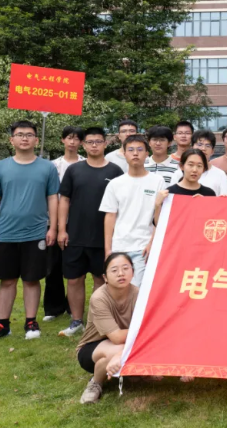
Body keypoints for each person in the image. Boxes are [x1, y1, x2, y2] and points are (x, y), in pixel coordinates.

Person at [0, 120, 60, 344]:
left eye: (29, 134)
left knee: (32, 280)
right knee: (7, 280)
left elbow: (52, 198)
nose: (24, 138)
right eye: (20, 134)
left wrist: (53, 227)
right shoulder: (0, 167)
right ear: (11, 139)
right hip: (5, 233)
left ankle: (31, 322)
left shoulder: (47, 168)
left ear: (36, 139)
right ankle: (2, 325)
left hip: (36, 233)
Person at [57, 128, 124, 338]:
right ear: (83, 145)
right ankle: (76, 320)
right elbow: (64, 200)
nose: (94, 145)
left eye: (98, 141)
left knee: (100, 280)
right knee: (74, 279)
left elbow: (121, 204)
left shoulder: (115, 171)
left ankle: (96, 321)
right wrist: (61, 229)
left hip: (103, 237)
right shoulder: (74, 170)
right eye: (90, 142)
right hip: (75, 235)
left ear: (106, 144)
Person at [99, 135, 167, 287]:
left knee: (138, 289)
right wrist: (108, 249)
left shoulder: (158, 181)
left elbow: (160, 217)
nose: (135, 153)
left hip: (144, 247)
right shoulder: (115, 184)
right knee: (120, 288)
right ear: (124, 154)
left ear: (147, 153)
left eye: (140, 149)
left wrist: (152, 243)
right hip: (120, 246)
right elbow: (110, 216)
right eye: (130, 150)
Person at [76, 253, 138, 404]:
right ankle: (95, 383)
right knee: (120, 348)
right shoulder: (99, 298)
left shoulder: (138, 294)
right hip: (93, 347)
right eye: (114, 270)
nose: (121, 273)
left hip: (126, 343)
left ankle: (124, 362)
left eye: (125, 268)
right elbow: (116, 337)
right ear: (105, 277)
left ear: (133, 272)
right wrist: (141, 332)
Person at [45, 126, 85, 322]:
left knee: (75, 267)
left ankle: (72, 306)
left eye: (76, 139)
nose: (72, 142)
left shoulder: (86, 163)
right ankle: (53, 308)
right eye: (69, 138)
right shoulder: (52, 165)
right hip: (53, 220)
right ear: (62, 140)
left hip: (78, 222)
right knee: (52, 266)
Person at [191, 130, 227, 196]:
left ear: (212, 151)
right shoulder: (181, 173)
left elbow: (224, 200)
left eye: (208, 145)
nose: (203, 148)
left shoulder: (220, 175)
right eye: (200, 144)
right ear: (192, 148)